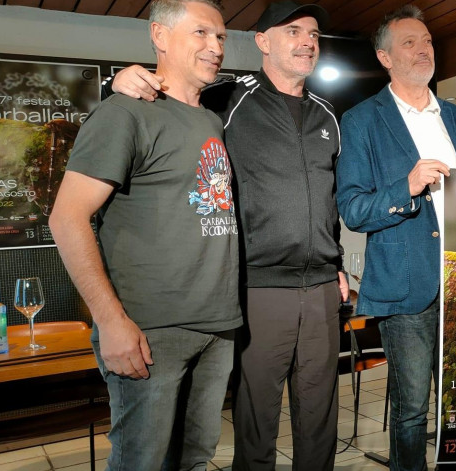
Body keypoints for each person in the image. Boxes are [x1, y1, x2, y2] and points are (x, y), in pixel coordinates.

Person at [109, 2, 347, 469]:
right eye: (294, 31)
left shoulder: (328, 114)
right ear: (262, 42)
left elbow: (329, 197)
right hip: (256, 285)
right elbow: (158, 101)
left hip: (321, 286)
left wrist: (336, 262)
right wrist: (115, 82)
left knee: (320, 417)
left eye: (314, 34)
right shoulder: (228, 97)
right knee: (256, 417)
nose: (307, 42)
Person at [49, 0, 240, 468]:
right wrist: (110, 321)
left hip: (218, 325)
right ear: (159, 36)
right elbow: (66, 218)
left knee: (194, 459)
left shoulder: (213, 117)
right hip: (149, 331)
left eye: (220, 37)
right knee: (143, 462)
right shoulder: (124, 113)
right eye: (200, 33)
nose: (214, 47)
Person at [334, 5, 456, 471]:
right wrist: (406, 188)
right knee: (411, 410)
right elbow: (352, 210)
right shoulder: (360, 121)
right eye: (409, 42)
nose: (423, 49)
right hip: (404, 283)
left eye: (428, 41)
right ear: (384, 57)